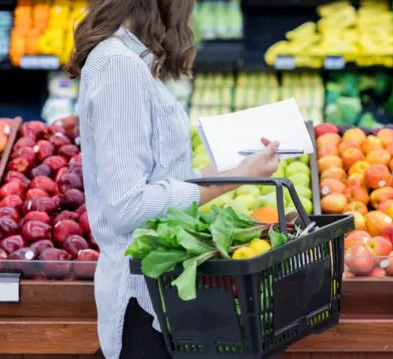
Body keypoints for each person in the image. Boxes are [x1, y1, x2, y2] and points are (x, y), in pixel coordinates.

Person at [66, 1, 280, 358]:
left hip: (162, 294)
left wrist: (244, 169)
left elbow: (165, 179)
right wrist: (236, 179)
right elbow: (128, 206)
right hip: (141, 299)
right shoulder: (120, 66)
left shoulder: (129, 61)